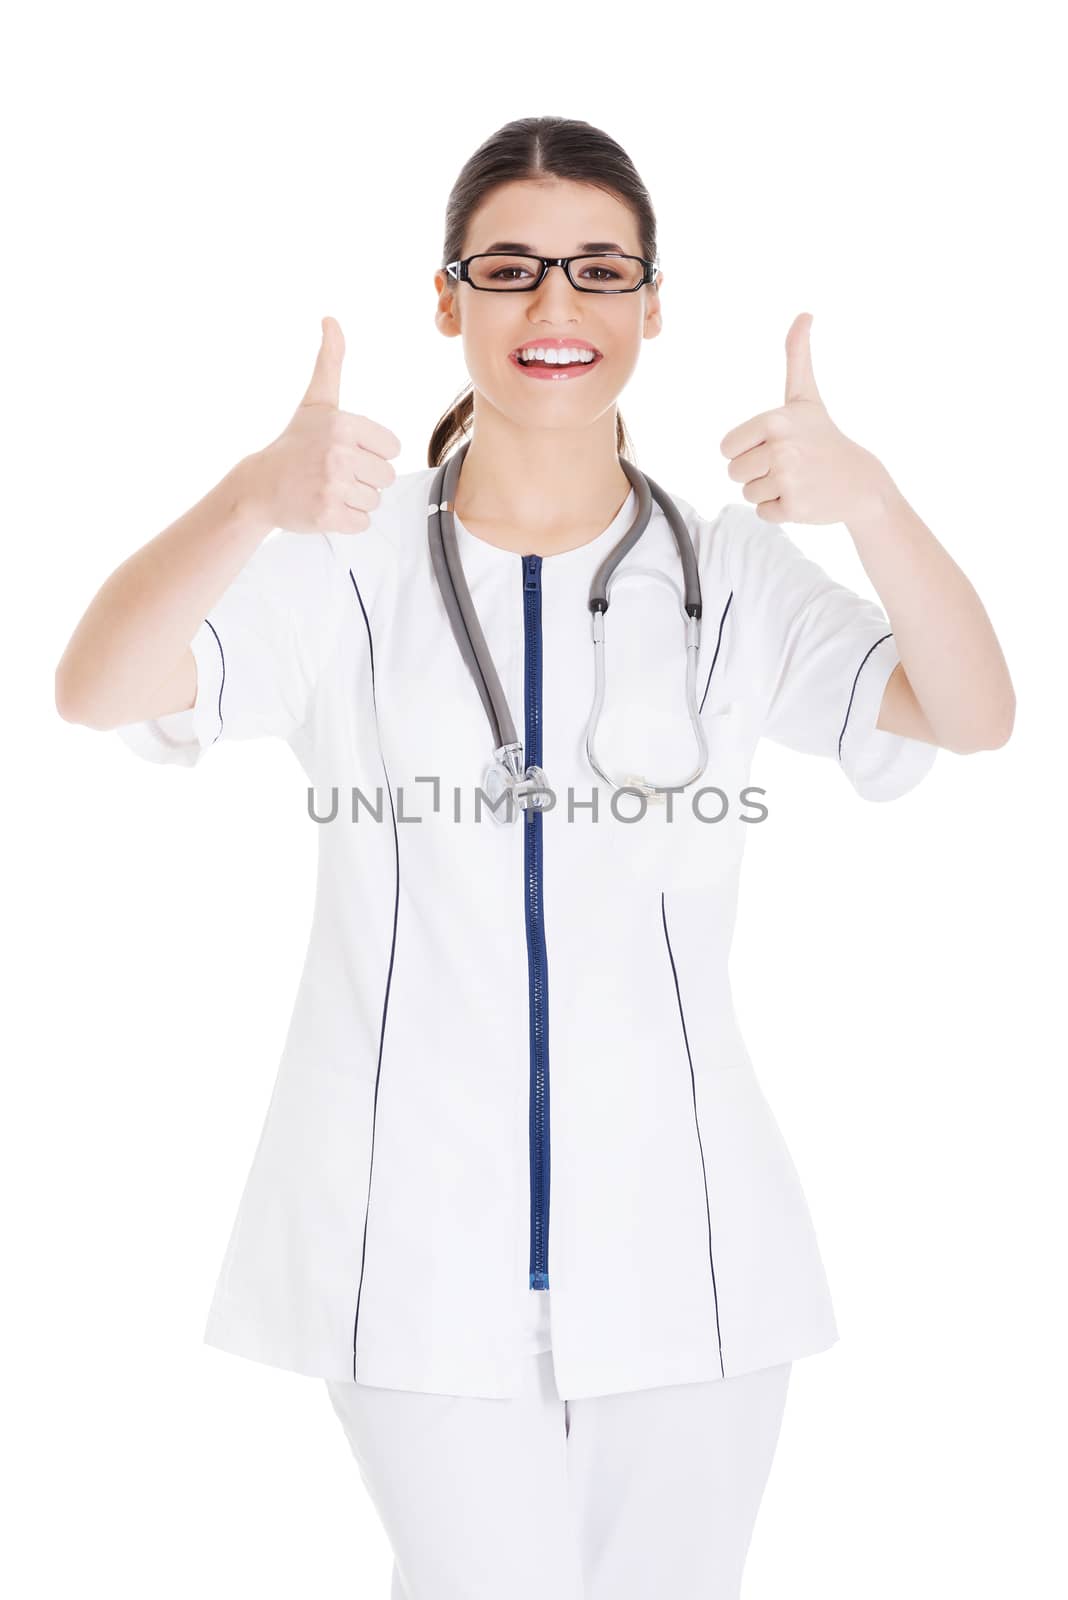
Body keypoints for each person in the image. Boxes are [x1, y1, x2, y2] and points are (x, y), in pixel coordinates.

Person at [55, 115, 1014, 1600]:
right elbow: (99, 686)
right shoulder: (348, 567)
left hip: (693, 1245)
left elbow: (971, 712)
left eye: (597, 271)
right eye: (509, 270)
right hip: (411, 1235)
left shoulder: (731, 578)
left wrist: (872, 502)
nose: (554, 306)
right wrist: (254, 493)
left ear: (649, 304)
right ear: (448, 303)